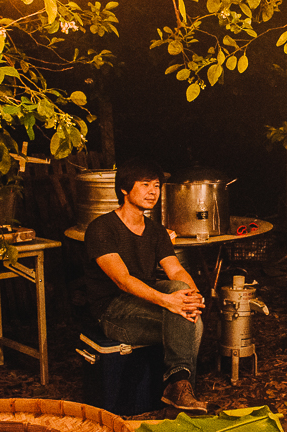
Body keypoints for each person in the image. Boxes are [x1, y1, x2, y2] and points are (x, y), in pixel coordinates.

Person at [84, 158, 208, 413]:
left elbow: (176, 269)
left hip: (145, 301)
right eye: (145, 185)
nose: (153, 191)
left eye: (157, 186)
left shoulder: (156, 231)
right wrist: (168, 301)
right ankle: (179, 392)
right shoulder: (101, 228)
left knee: (187, 309)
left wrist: (194, 296)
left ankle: (178, 389)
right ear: (124, 189)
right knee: (186, 315)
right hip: (112, 311)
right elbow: (123, 279)